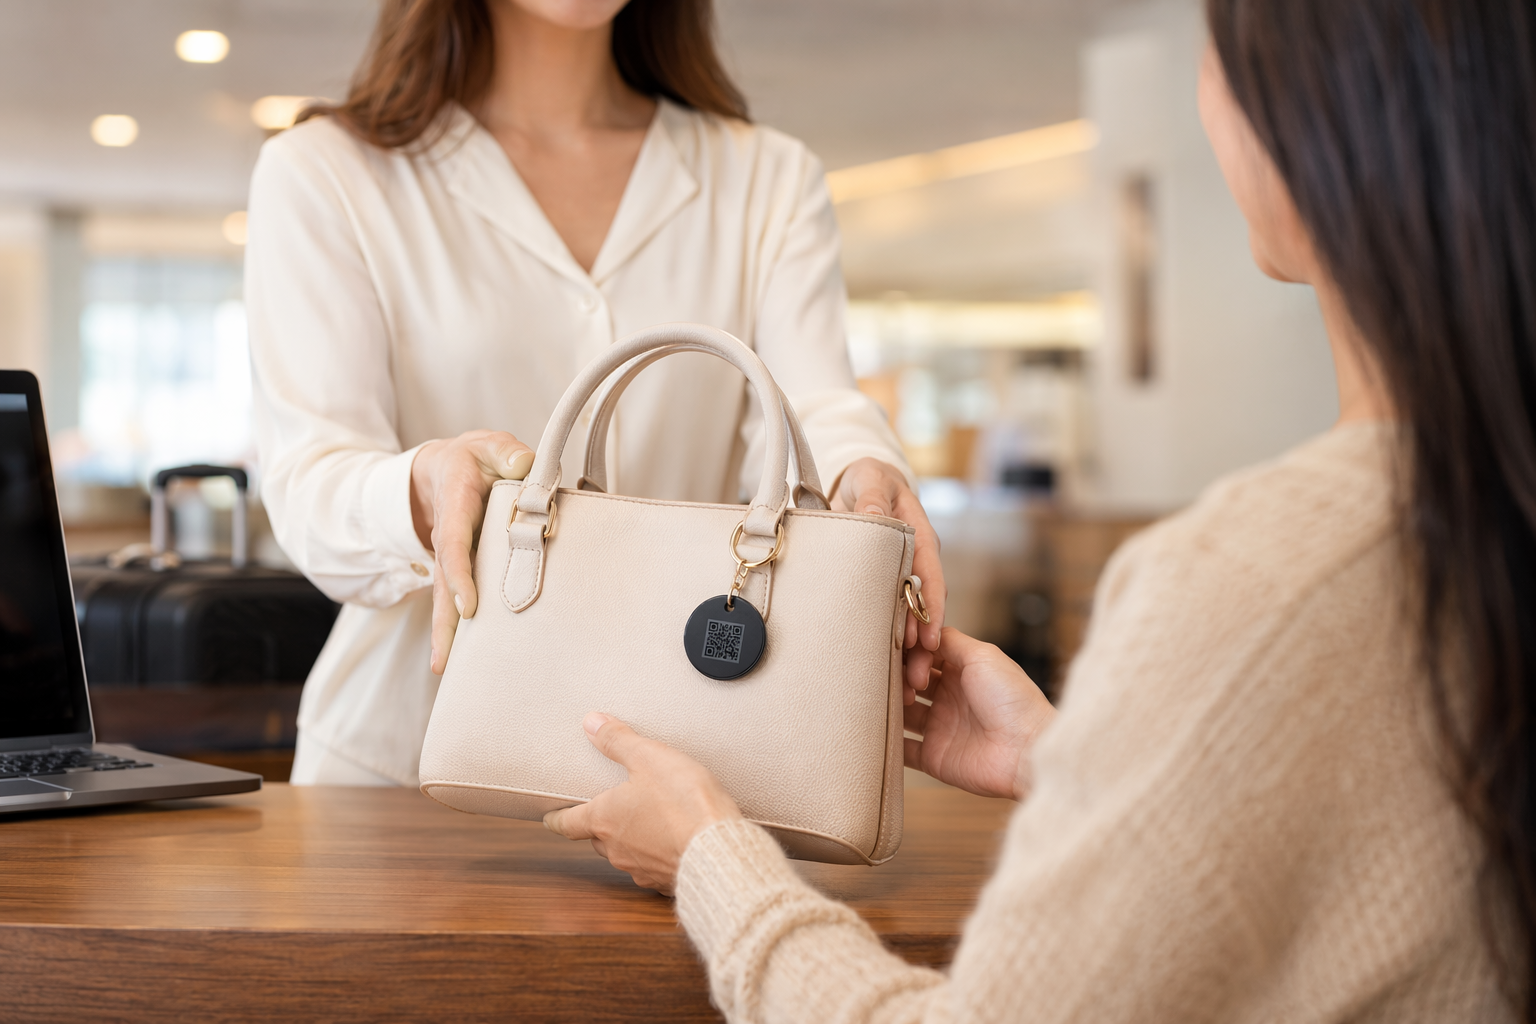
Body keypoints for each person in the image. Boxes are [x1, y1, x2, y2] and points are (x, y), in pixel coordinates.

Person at [543, 0, 1536, 1019]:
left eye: (1217, 50)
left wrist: (710, 854)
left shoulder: (1253, 578)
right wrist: (1082, 766)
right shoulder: (1466, 525)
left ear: (1316, 116)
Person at [245, 0, 946, 785]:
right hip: (402, 763)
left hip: (694, 767)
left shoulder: (767, 178)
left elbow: (814, 404)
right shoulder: (325, 171)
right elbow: (311, 479)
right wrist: (422, 488)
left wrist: (860, 471)